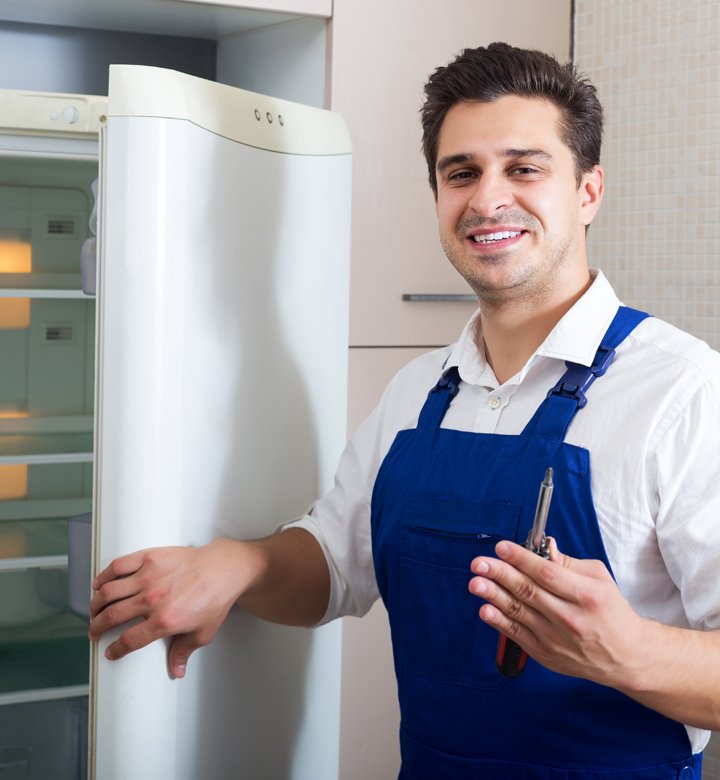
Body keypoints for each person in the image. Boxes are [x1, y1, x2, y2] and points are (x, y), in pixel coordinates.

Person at [89, 42, 720, 778]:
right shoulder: (419, 392)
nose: (487, 200)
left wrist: (628, 652)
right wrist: (242, 563)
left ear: (588, 192)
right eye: (461, 174)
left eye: (524, 168)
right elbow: (333, 563)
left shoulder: (682, 392)